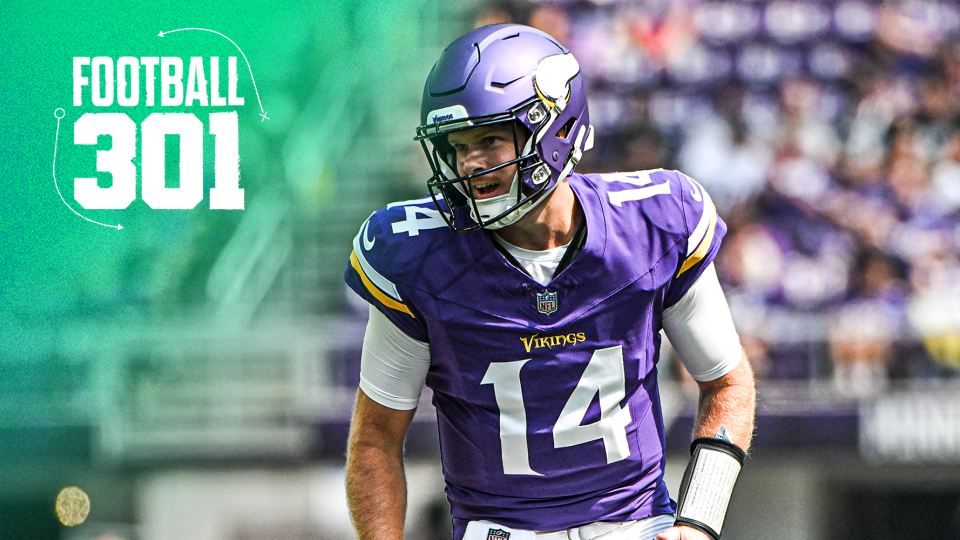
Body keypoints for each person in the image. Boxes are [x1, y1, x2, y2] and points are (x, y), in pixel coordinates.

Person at [344, 24, 756, 540]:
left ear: (554, 127)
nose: (469, 163)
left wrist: (698, 521)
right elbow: (375, 439)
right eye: (456, 146)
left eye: (489, 139)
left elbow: (726, 382)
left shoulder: (654, 224)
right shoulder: (417, 256)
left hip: (636, 523)